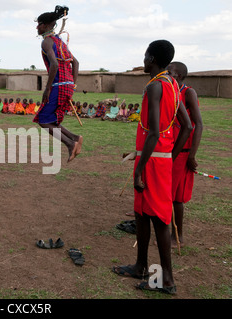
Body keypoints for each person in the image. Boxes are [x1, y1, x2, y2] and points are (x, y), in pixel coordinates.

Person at [112, 40, 192, 295]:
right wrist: (168, 155)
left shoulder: (156, 86)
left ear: (152, 58)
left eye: (146, 55)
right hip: (159, 159)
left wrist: (138, 169)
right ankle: (140, 266)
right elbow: (187, 126)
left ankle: (166, 279)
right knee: (142, 214)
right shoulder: (172, 85)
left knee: (158, 218)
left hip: (151, 163)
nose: (143, 59)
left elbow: (155, 132)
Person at [33, 5, 83, 162]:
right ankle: (75, 137)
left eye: (39, 23)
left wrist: (46, 89)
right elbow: (75, 63)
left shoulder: (47, 42)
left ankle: (70, 144)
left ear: (47, 25)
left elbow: (54, 64)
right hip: (66, 85)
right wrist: (71, 85)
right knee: (51, 120)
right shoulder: (60, 42)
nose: (37, 27)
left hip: (58, 85)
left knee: (43, 120)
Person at [167, 61, 203, 248]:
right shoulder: (170, 92)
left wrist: (191, 156)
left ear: (179, 76)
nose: (167, 75)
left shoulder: (188, 93)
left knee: (176, 197)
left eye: (170, 73)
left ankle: (177, 236)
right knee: (169, 194)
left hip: (182, 153)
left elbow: (198, 124)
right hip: (170, 150)